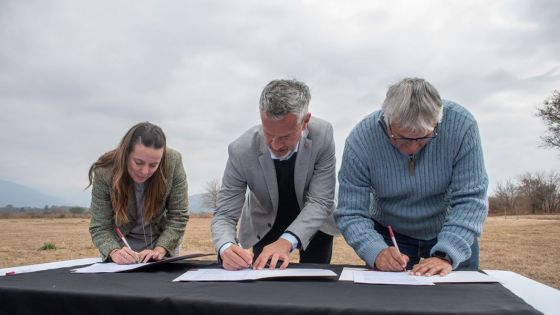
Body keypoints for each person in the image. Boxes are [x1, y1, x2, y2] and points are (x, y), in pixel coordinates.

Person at [335, 77, 488, 277]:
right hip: (390, 235)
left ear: (438, 122)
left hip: (450, 229)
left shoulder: (462, 126)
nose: (413, 147)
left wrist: (447, 253)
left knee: (461, 303)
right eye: (402, 138)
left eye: (424, 137)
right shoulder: (361, 139)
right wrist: (375, 250)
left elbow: (471, 198)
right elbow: (351, 211)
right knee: (391, 304)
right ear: (387, 121)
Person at [211, 79, 338, 270]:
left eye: (285, 136)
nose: (276, 145)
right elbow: (225, 214)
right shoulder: (240, 150)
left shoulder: (323, 135)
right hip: (264, 224)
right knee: (263, 282)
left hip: (315, 223)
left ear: (305, 122)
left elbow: (320, 201)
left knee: (313, 287)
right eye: (268, 133)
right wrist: (226, 247)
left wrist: (286, 242)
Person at [88, 122, 189, 264]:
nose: (145, 171)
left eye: (153, 165)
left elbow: (178, 215)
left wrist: (160, 250)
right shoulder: (105, 170)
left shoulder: (173, 161)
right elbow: (100, 226)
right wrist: (114, 251)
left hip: (162, 246)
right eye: (138, 162)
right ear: (126, 153)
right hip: (122, 249)